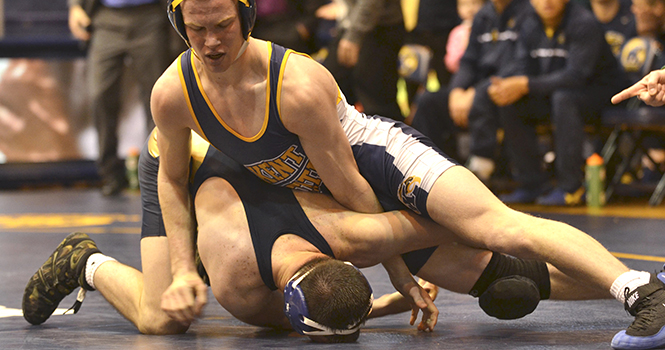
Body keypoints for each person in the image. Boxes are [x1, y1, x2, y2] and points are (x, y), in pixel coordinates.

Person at [152, 0, 665, 348]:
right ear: (179, 25)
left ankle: (642, 295)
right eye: (196, 28)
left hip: (379, 163)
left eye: (222, 25)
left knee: (499, 227)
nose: (212, 41)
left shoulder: (295, 86)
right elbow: (171, 179)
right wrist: (180, 269)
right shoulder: (173, 93)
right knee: (498, 275)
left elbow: (353, 184)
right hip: (340, 192)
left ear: (246, 16)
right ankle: (651, 283)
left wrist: (398, 271)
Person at [23, 129, 612, 342]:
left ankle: (632, 285)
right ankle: (87, 262)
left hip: (264, 167)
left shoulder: (353, 237)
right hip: (177, 161)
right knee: (163, 317)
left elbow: (434, 225)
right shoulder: (238, 286)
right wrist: (182, 271)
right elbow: (293, 315)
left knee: (479, 263)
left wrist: (415, 275)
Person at [490, 0, 627, 206]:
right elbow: (521, 67)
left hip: (601, 96)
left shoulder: (584, 22)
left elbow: (576, 76)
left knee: (564, 98)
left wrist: (525, 84)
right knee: (511, 101)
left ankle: (571, 187)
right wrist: (507, 86)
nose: (547, 1)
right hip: (554, 93)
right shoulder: (528, 23)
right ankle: (531, 183)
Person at [409, 0, 531, 180]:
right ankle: (432, 170)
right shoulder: (483, 15)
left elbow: (521, 63)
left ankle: (482, 170)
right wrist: (456, 90)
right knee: (429, 101)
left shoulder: (527, 13)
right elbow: (468, 61)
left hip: (508, 86)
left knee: (485, 97)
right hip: (475, 87)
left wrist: (475, 92)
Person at [67, 0, 171, 196]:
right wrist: (75, 6)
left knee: (156, 98)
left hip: (151, 16)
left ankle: (157, 173)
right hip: (107, 17)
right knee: (99, 95)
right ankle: (109, 174)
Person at [320, 0, 405, 120]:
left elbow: (371, 3)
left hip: (379, 27)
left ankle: (393, 138)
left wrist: (354, 35)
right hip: (351, 25)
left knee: (377, 104)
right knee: (329, 88)